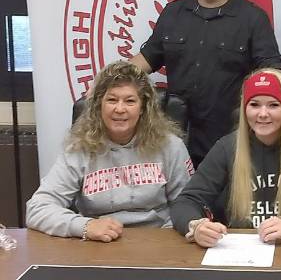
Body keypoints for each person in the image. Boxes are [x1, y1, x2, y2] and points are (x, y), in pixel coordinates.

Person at [131, 0, 281, 167]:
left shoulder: (252, 18)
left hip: (230, 138)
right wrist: (110, 80)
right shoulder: (174, 12)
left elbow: (273, 70)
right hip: (174, 136)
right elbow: (147, 58)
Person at [171, 68, 281, 246]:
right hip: (241, 253)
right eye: (254, 104)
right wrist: (196, 226)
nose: (263, 114)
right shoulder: (227, 147)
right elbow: (186, 201)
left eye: (273, 105)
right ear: (244, 109)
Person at [26, 61, 194, 242]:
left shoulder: (171, 146)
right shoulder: (79, 149)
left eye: (130, 101)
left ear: (143, 108)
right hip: (99, 243)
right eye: (112, 100)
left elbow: (188, 205)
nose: (119, 109)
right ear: (99, 105)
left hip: (159, 241)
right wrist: (85, 226)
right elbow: (38, 208)